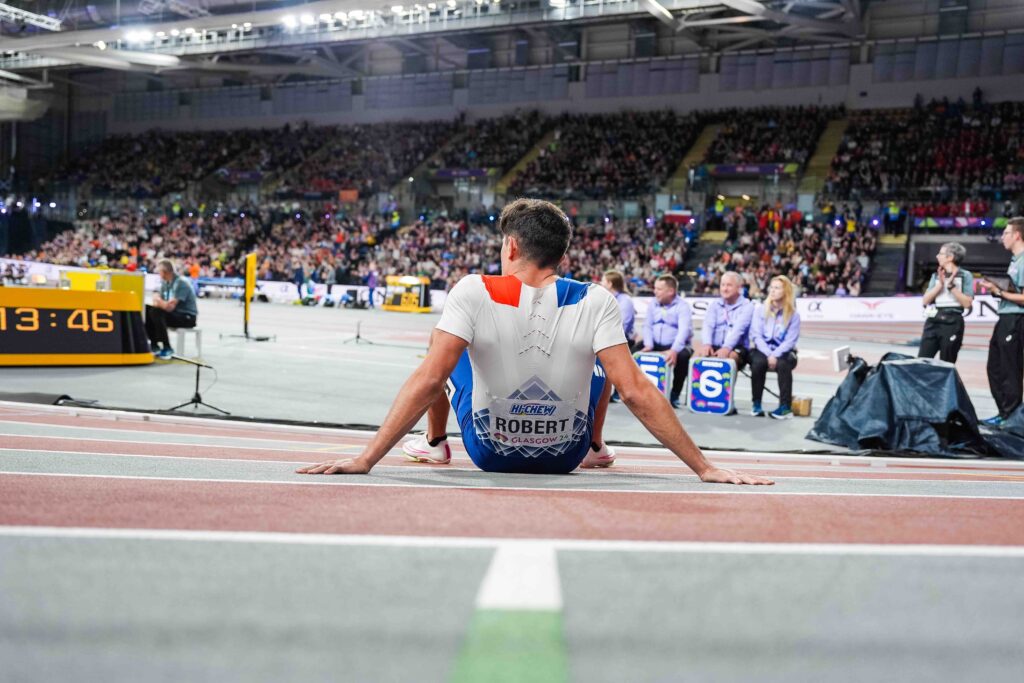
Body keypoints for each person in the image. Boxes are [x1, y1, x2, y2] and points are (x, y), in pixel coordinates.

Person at [297, 198, 771, 485]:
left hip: (491, 453)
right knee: (608, 363)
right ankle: (596, 447)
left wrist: (366, 459)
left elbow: (430, 380)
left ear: (512, 246)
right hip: (565, 456)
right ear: (562, 255)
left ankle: (435, 443)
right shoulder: (597, 298)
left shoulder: (474, 289)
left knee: (441, 350)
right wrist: (704, 468)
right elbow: (636, 392)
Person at [977, 217, 1024, 427]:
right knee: (995, 367)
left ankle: (1012, 416)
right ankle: (1004, 413)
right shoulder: (1015, 260)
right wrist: (998, 289)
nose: (1002, 237)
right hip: (1005, 317)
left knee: (1009, 368)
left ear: (1017, 235)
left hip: (1015, 319)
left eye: (1006, 233)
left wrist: (999, 292)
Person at [749, 276, 801, 420]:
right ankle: (756, 404)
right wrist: (768, 354)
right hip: (763, 349)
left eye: (777, 288)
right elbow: (756, 335)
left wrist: (775, 355)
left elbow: (790, 341)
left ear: (786, 291)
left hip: (784, 351)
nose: (772, 291)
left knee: (784, 364)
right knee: (758, 363)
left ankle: (785, 407)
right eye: (771, 287)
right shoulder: (760, 310)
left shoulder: (793, 315)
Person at [639, 274, 693, 409]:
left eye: (659, 289)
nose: (655, 292)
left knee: (683, 357)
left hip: (676, 344)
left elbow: (684, 331)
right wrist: (648, 344)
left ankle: (675, 395)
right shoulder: (653, 304)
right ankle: (629, 391)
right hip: (654, 343)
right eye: (655, 288)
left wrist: (674, 350)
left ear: (671, 291)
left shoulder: (683, 306)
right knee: (633, 352)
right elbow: (647, 325)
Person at [918, 242, 973, 364]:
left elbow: (967, 304)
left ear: (950, 257)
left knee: (947, 362)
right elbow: (925, 300)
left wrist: (951, 287)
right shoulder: (936, 276)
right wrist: (940, 284)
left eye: (941, 254)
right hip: (933, 320)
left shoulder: (965, 275)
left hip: (953, 322)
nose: (937, 256)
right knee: (922, 360)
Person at [695, 271, 754, 371]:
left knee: (729, 359)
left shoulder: (747, 306)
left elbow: (738, 330)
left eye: (729, 285)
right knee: (696, 356)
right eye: (723, 285)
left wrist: (727, 347)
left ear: (739, 288)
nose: (725, 289)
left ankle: (727, 382)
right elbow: (708, 326)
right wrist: (707, 344)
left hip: (737, 347)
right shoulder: (714, 304)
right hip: (714, 345)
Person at [145, 259, 198, 360]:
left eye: (159, 271)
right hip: (175, 313)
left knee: (156, 312)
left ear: (165, 272)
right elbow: (157, 303)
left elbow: (169, 307)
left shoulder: (181, 283)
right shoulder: (166, 283)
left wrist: (159, 300)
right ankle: (154, 344)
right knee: (147, 309)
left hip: (187, 317)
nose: (158, 274)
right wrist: (160, 302)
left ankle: (167, 347)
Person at [600, 270, 636, 349]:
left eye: (602, 281)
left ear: (609, 284)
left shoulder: (625, 300)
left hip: (621, 342)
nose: (600, 284)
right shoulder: (607, 299)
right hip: (609, 339)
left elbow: (623, 326)